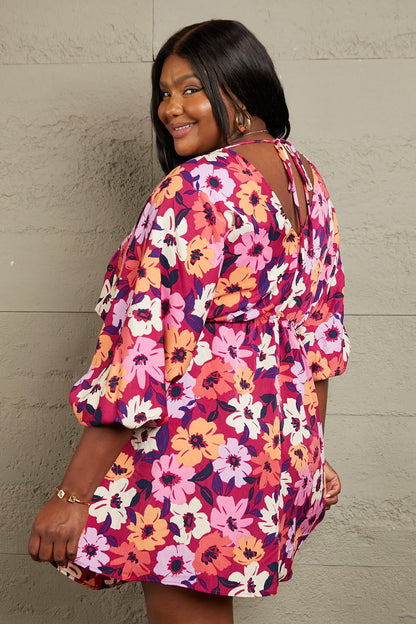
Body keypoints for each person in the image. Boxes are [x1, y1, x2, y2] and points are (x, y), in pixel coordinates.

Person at [29, 19, 350, 624]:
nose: (170, 108)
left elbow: (143, 352)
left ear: (243, 89)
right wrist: (310, 449)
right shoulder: (306, 180)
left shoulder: (196, 187)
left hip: (197, 449)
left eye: (192, 88)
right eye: (164, 92)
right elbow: (319, 335)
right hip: (272, 444)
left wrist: (72, 495)